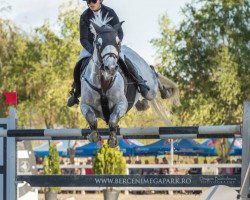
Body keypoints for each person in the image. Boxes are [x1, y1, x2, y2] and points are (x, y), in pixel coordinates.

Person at [67, 0, 150, 107]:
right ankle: (76, 91)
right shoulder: (84, 16)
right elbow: (83, 38)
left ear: (100, 0)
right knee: (79, 62)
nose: (90, 3)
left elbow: (120, 33)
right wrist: (93, 50)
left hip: (111, 46)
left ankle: (140, 82)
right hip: (92, 47)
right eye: (88, 1)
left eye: (93, 0)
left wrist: (115, 45)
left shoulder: (110, 12)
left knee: (123, 58)